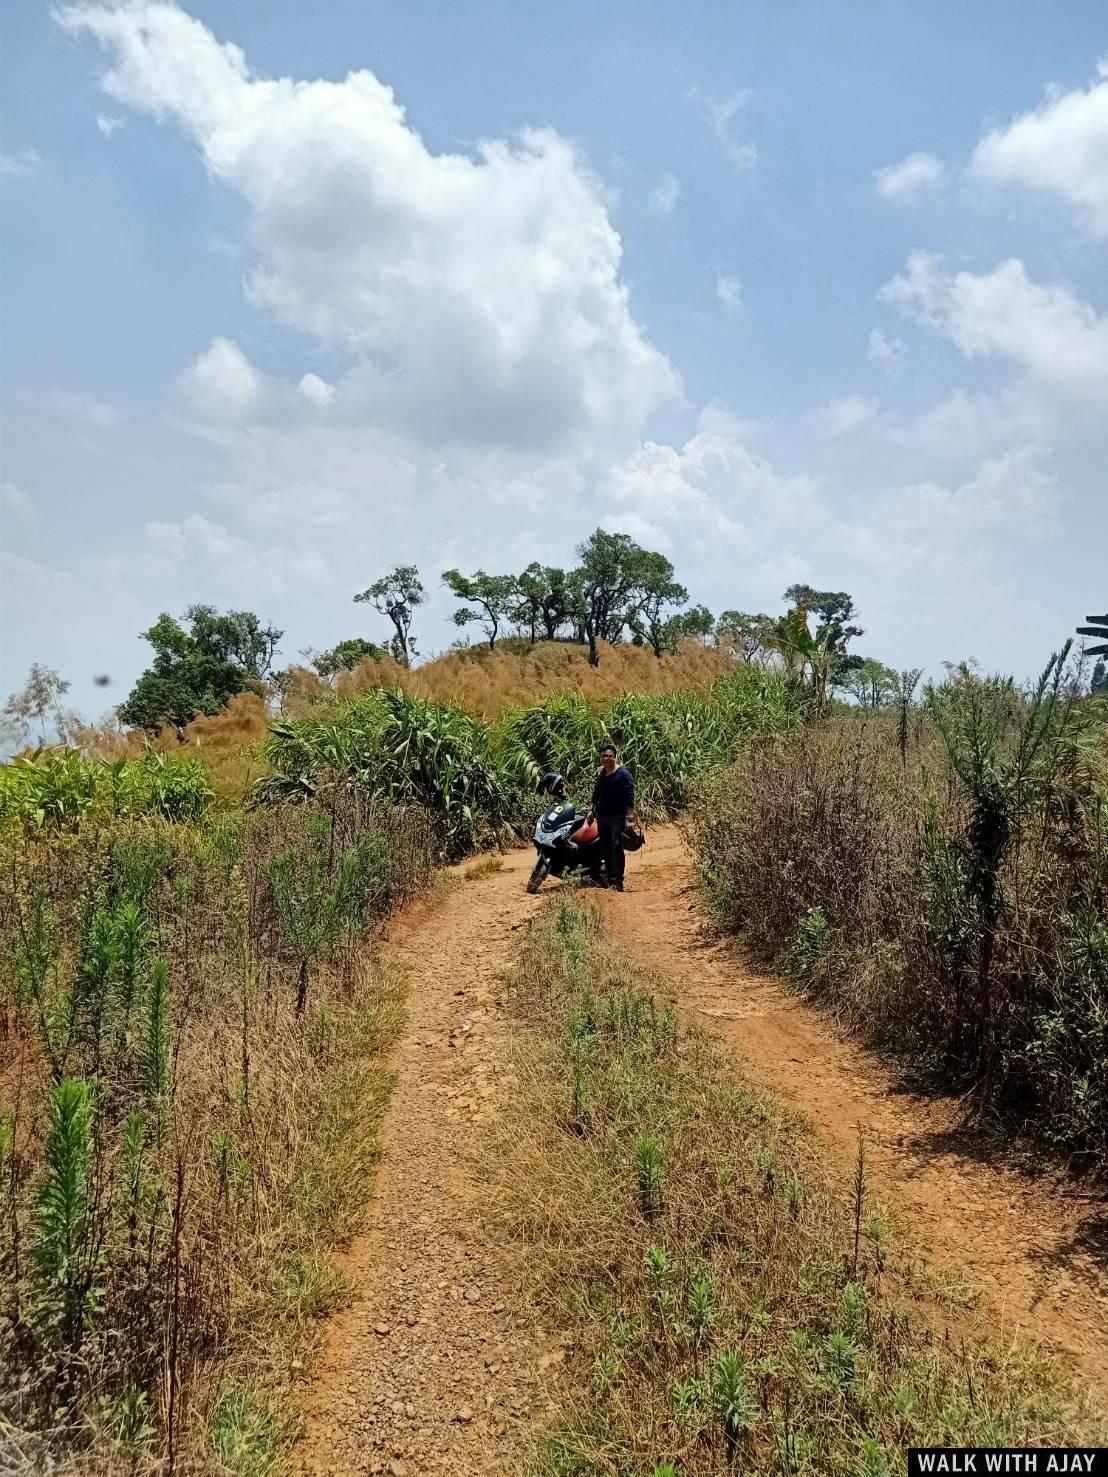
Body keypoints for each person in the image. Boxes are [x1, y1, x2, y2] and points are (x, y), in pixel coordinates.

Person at [587, 743, 635, 891]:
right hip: (602, 817)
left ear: (615, 757)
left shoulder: (623, 774)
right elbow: (597, 793)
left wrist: (630, 817)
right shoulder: (601, 773)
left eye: (610, 756)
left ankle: (618, 881)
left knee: (616, 848)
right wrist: (592, 810)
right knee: (606, 848)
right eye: (604, 756)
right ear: (600, 757)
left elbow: (629, 797)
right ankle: (609, 878)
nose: (607, 759)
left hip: (617, 818)